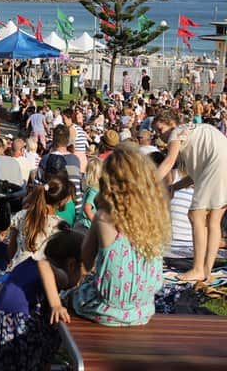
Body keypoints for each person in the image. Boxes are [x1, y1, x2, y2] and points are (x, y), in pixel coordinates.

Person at [73, 144, 169, 325]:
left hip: (107, 309)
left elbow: (85, 263)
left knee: (65, 294)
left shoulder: (104, 217)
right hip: (143, 309)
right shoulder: (155, 217)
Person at [0, 231, 83, 371]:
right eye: (84, 273)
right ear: (71, 264)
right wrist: (56, 305)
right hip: (18, 332)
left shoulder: (26, 265)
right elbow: (44, 266)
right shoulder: (58, 273)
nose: (82, 280)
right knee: (52, 328)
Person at [153, 109, 227, 282]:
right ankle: (207, 270)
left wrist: (148, 183)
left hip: (217, 163)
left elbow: (169, 161)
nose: (160, 135)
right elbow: (195, 176)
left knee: (195, 215)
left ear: (171, 124)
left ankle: (198, 268)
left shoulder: (176, 133)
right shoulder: (194, 132)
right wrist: (174, 187)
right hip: (222, 161)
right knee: (214, 219)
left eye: (160, 129)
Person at [7, 177, 68, 270]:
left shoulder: (22, 215)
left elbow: (11, 249)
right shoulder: (60, 225)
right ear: (62, 202)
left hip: (16, 271)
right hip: (42, 276)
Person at [75, 157, 103, 230]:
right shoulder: (94, 190)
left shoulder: (90, 188)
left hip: (83, 223)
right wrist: (97, 223)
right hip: (87, 225)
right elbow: (87, 208)